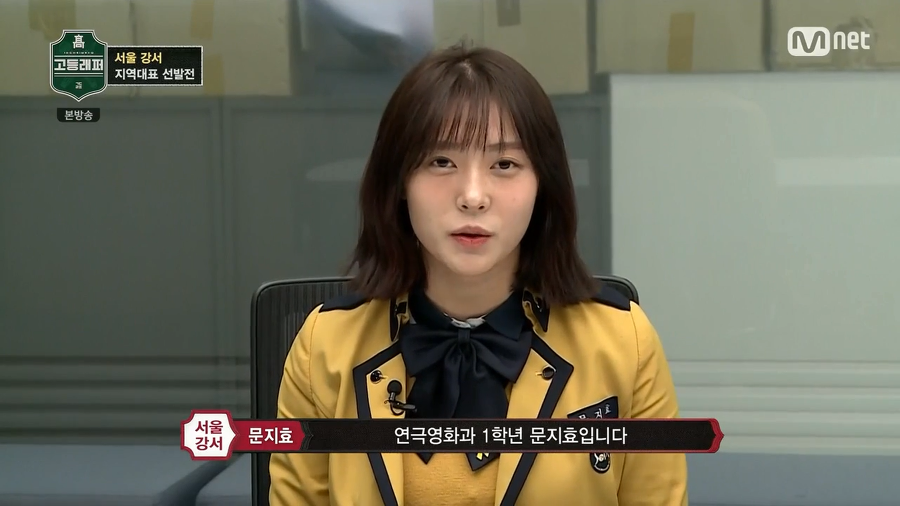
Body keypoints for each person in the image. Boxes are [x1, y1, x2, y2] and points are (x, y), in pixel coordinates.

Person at [269, 44, 687, 506]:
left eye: (504, 165)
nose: (472, 196)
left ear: (542, 186)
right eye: (441, 162)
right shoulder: (323, 347)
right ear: (399, 183)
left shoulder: (626, 344)